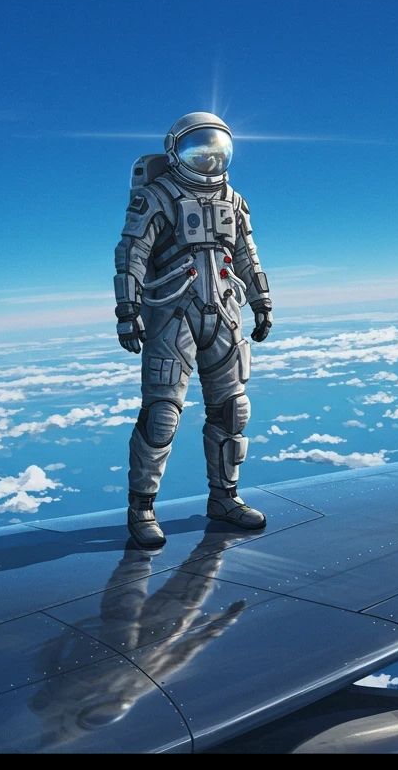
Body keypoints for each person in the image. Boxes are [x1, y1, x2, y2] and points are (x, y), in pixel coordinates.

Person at [113, 112, 273, 547]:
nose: (209, 157)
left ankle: (224, 498)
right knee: (163, 414)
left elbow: (246, 255)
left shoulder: (234, 201)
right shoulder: (157, 196)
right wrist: (127, 311)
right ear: (174, 150)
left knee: (232, 410)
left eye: (216, 148)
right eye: (198, 148)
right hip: (171, 314)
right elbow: (132, 253)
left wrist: (261, 301)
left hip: (223, 312)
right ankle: (142, 507)